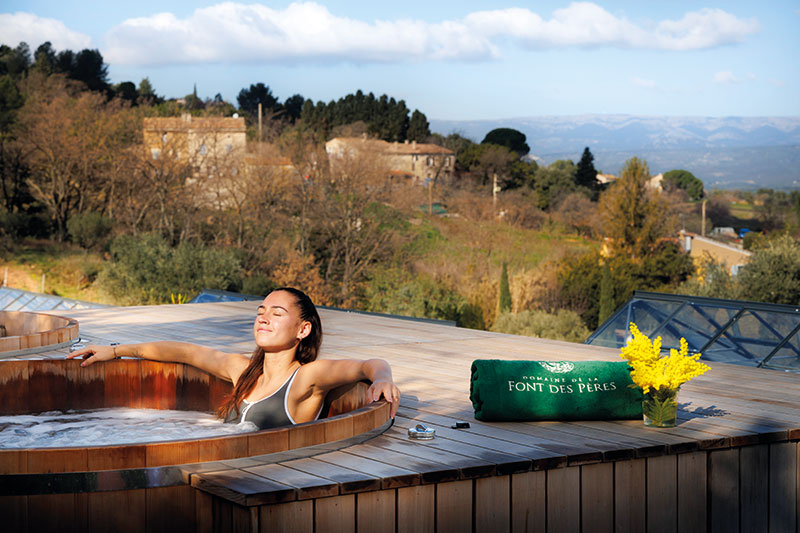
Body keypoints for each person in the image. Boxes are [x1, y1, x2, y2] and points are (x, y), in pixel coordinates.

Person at [67, 287, 400, 429]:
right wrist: (114, 350)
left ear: (303, 329)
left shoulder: (306, 378)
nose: (263, 318)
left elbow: (368, 364)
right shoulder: (242, 370)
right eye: (261, 312)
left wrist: (382, 378)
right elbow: (185, 352)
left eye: (276, 313)